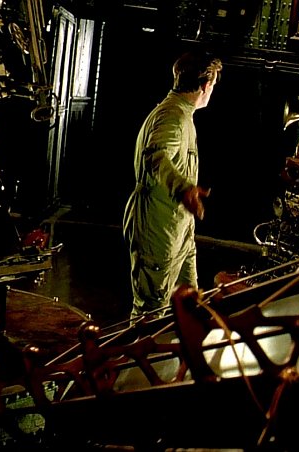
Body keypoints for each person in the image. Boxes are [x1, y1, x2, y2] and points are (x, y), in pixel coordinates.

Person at [122, 50, 222, 320]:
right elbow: (156, 156)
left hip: (178, 230)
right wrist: (184, 189)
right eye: (213, 85)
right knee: (151, 312)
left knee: (189, 305)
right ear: (205, 85)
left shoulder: (182, 114)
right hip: (158, 228)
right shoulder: (172, 117)